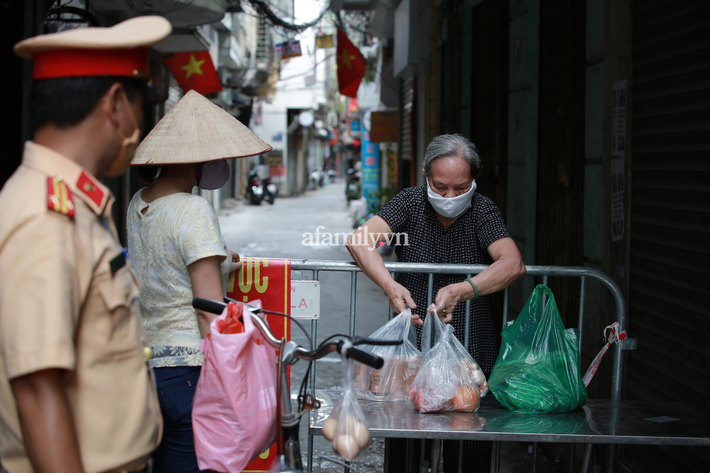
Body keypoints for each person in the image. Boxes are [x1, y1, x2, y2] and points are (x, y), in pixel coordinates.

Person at [0, 17, 171, 473]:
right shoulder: (45, 216)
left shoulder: (79, 205)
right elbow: (37, 387)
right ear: (116, 104)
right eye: (139, 107)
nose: (138, 128)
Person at [346, 134, 526, 473]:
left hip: (469, 351)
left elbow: (512, 262)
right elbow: (359, 240)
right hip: (412, 350)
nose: (449, 197)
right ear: (426, 176)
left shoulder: (482, 210)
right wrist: (389, 285)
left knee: (468, 448)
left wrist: (464, 289)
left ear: (473, 180)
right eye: (440, 186)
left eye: (460, 187)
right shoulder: (410, 203)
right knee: (406, 447)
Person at [126, 90, 272, 473]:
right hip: (190, 371)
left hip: (147, 367)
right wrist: (234, 384)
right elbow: (209, 311)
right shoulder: (193, 209)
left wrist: (226, 261)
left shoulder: (138, 203)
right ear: (196, 159)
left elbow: (167, 264)